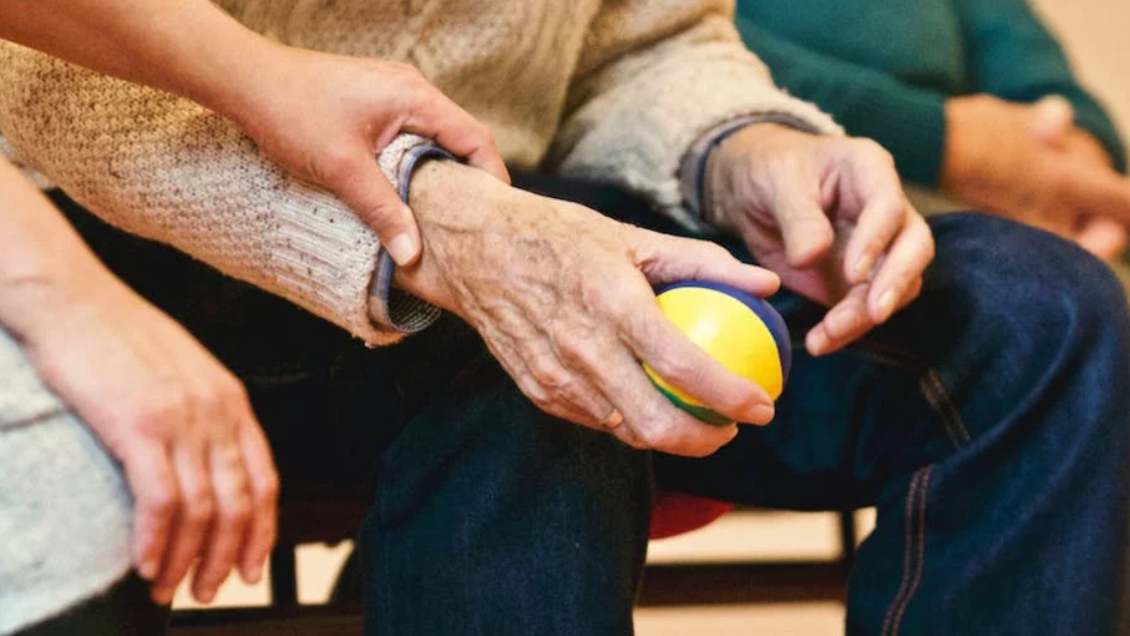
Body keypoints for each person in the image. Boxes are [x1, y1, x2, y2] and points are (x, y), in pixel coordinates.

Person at [0, 2, 1127, 636]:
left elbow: (641, 40)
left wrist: (749, 151)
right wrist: (441, 220)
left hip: (542, 213)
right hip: (165, 241)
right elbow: (43, 67)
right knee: (543, 360)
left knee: (1041, 322)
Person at [0, 0, 509, 631]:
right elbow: (32, 68)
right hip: (97, 189)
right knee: (71, 497)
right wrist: (71, 302)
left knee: (547, 349)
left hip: (435, 181)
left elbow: (640, 44)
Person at [733, 0, 1130, 260]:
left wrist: (1080, 144)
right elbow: (696, 47)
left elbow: (1019, 44)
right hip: (820, 181)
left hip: (1016, 187)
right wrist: (942, 139)